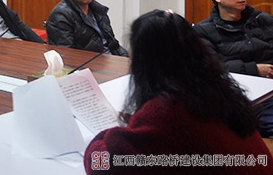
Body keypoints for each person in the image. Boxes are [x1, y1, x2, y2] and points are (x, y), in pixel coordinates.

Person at [85, 10, 269, 173]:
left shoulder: (167, 111)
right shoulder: (217, 90)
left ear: (145, 64)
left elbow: (100, 164)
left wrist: (106, 133)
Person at [194, 0, 273, 137]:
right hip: (240, 96)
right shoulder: (203, 31)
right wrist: (254, 69)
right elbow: (210, 67)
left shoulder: (264, 20)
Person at [46, 0, 128, 56]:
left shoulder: (98, 9)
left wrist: (127, 58)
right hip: (89, 62)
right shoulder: (60, 16)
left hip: (109, 59)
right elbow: (66, 55)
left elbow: (113, 44)